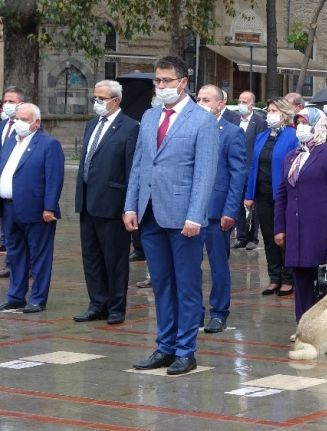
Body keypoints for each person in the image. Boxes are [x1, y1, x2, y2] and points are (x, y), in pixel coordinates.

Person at [124, 56, 219, 375]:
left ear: (183, 82)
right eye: (157, 81)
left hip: (183, 218)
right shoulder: (150, 117)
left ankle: (185, 349)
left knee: (186, 285)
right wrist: (131, 205)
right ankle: (164, 346)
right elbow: (139, 164)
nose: (161, 86)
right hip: (150, 213)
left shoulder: (201, 120)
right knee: (162, 284)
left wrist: (196, 215)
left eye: (167, 81)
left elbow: (205, 172)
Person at [274, 107, 327, 322]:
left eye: (305, 123)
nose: (301, 128)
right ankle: (304, 323)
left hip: (322, 230)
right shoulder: (292, 156)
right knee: (302, 279)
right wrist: (279, 227)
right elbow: (282, 194)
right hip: (296, 230)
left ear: (318, 125)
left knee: (326, 281)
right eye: (297, 123)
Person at [74, 80, 139, 325]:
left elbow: (132, 168)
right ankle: (97, 303)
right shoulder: (92, 125)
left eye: (101, 98)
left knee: (115, 259)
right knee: (91, 257)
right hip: (88, 202)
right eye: (95, 98)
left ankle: (116, 306)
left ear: (116, 100)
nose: (96, 103)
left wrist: (128, 205)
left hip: (113, 203)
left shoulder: (130, 127)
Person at [0, 103, 64, 313]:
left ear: (37, 122)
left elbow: (54, 179)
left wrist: (49, 207)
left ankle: (37, 298)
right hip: (9, 208)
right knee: (15, 254)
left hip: (37, 211)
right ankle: (16, 296)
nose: (19, 123)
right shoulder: (10, 143)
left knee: (39, 255)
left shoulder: (48, 144)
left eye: (25, 119)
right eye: (17, 118)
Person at [196, 84, 247, 333]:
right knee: (190, 264)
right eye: (198, 98)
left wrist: (230, 211)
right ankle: (194, 311)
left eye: (206, 99)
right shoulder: (190, 129)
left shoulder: (231, 133)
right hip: (191, 211)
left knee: (218, 265)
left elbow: (238, 175)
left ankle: (219, 312)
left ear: (220, 105)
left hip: (217, 212)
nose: (201, 103)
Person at [243, 98, 298, 296]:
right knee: (267, 236)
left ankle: (288, 277)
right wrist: (249, 195)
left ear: (284, 114)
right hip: (262, 193)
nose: (269, 114)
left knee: (284, 236)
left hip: (282, 195)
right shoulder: (262, 136)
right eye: (268, 111)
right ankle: (274, 277)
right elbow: (253, 167)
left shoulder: (292, 136)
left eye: (273, 111)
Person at [233, 91, 267, 250]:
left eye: (245, 101)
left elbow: (260, 146)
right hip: (236, 170)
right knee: (237, 204)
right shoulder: (234, 120)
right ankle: (240, 236)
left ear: (252, 104)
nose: (241, 104)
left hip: (252, 170)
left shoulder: (259, 122)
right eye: (240, 100)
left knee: (252, 205)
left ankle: (253, 237)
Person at [0, 86, 25, 278]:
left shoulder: (26, 126)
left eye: (12, 101)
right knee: (7, 230)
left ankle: (25, 265)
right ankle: (10, 264)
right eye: (5, 101)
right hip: (2, 186)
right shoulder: (2, 125)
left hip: (18, 189)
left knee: (20, 232)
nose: (8, 105)